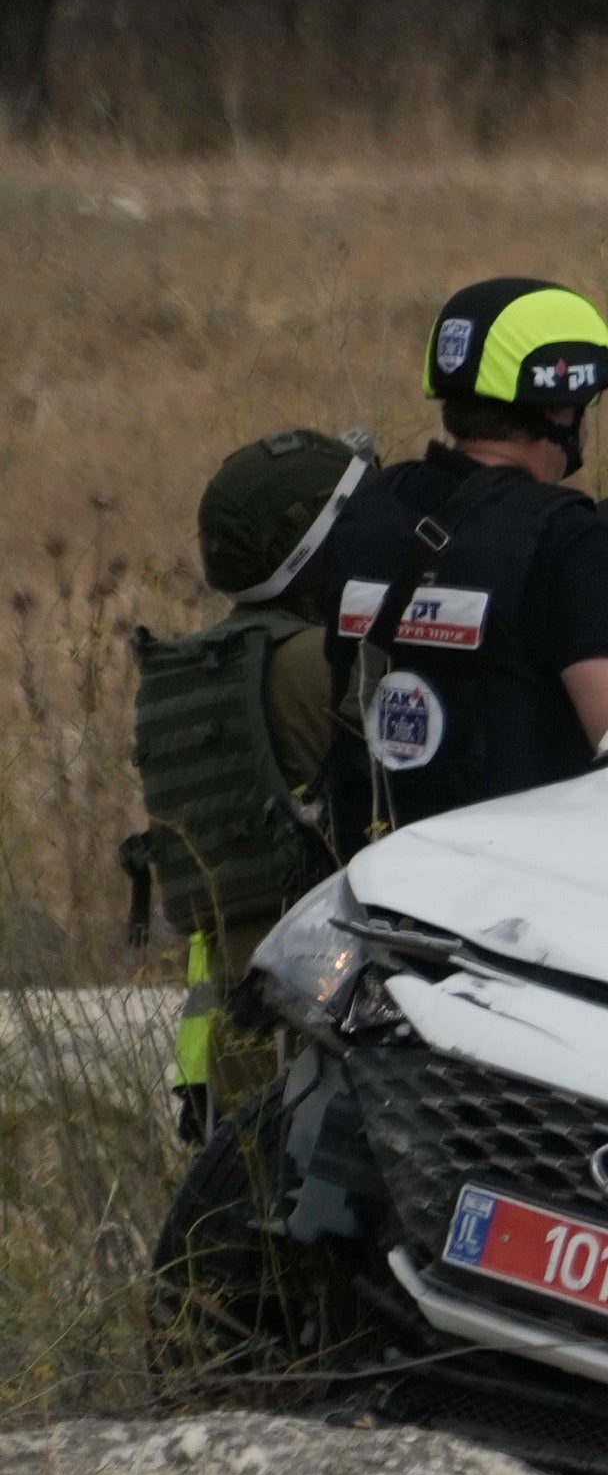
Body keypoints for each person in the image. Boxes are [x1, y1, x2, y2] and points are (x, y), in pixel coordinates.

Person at [313, 278, 608, 841]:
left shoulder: (364, 510)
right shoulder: (566, 539)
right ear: (562, 409)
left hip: (367, 870)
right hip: (507, 886)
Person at [126, 431, 374, 1137]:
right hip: (313, 1010)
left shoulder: (209, 667)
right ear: (313, 549)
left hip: (229, 1031)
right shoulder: (309, 665)